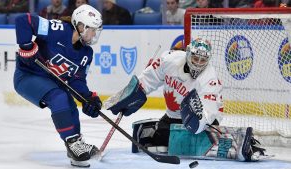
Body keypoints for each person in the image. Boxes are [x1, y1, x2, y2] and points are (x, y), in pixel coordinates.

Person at [105, 38, 267, 161]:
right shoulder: (170, 60)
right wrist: (134, 94)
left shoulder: (209, 78)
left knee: (192, 138)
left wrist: (198, 121)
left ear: (208, 60)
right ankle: (161, 131)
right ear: (188, 53)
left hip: (206, 120)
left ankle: (235, 141)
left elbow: (209, 111)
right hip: (173, 116)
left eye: (203, 60)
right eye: (195, 58)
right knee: (160, 138)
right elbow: (149, 79)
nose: (198, 63)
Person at [13, 4, 103, 167]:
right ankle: (71, 142)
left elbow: (76, 80)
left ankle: (76, 146)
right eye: (93, 29)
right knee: (59, 97)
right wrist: (26, 46)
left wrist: (88, 98)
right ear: (81, 26)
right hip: (27, 76)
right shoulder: (57, 29)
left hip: (50, 82)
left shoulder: (86, 53)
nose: (95, 34)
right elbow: (23, 20)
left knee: (69, 104)